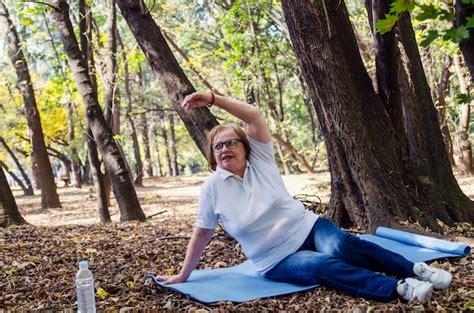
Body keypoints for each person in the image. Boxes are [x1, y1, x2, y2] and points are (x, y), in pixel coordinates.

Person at [156, 92, 453, 303]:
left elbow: (254, 114)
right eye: (217, 146)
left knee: (343, 244)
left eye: (231, 142)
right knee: (322, 265)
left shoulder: (261, 160)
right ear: (212, 155)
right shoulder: (212, 188)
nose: (224, 149)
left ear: (246, 148)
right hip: (276, 258)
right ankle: (401, 288)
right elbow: (201, 233)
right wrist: (184, 273)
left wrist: (211, 99)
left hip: (308, 227)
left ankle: (417, 270)